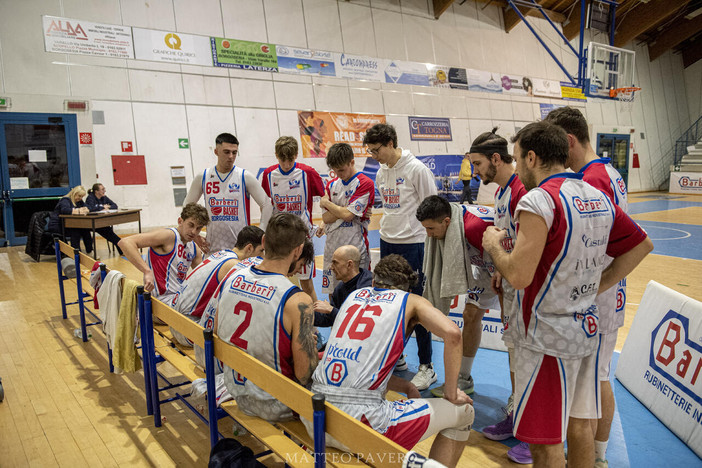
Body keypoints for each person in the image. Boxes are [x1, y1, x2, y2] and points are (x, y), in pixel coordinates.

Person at [482, 121, 652, 468]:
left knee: (545, 445)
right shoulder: (596, 196)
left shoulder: (539, 200)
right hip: (586, 330)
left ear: (531, 157)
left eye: (517, 158)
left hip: (546, 337)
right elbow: (642, 245)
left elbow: (518, 274)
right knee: (579, 429)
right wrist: (594, 287)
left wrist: (494, 245)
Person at [306, 254, 474, 468]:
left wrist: (405, 385)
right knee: (465, 413)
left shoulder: (354, 296)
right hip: (359, 425)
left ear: (374, 282)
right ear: (407, 289)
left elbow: (358, 365)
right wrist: (451, 392)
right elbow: (453, 334)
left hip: (316, 418)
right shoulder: (411, 301)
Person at [545, 106, 629, 468]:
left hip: (600, 297)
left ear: (568, 141)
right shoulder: (608, 171)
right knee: (598, 378)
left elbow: (627, 242)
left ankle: (595, 457)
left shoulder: (593, 180)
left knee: (595, 382)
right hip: (608, 291)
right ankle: (595, 454)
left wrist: (597, 287)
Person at [214, 213, 318, 422]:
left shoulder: (232, 276)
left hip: (235, 389)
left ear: (263, 241)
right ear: (298, 251)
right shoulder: (298, 300)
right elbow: (304, 374)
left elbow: (217, 331)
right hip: (276, 403)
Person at [468, 129, 531, 463]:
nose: (475, 171)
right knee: (513, 354)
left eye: (478, 164)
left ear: (496, 158)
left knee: (526, 359)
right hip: (508, 284)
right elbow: (509, 240)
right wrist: (497, 268)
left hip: (525, 289)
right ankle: (518, 417)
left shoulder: (522, 190)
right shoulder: (503, 192)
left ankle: (533, 433)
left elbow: (528, 246)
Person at [363, 123, 438, 390]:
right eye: (370, 151)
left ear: (391, 143)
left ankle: (426, 366)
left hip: (414, 244)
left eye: (376, 150)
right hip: (387, 242)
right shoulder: (381, 172)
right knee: (390, 305)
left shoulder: (417, 169)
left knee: (417, 307)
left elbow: (433, 207)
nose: (374, 155)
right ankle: (399, 358)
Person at [415, 195, 500, 397]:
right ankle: (464, 378)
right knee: (470, 316)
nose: (428, 234)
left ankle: (518, 395)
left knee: (513, 329)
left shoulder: (473, 228)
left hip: (504, 265)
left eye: (431, 229)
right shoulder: (452, 223)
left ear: (446, 222)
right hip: (485, 266)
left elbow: (505, 253)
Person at [170, 225, 264, 346]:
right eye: (261, 251)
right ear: (249, 248)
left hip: (175, 320)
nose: (262, 257)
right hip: (187, 331)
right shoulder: (234, 265)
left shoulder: (223, 253)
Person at [184, 133, 272, 254]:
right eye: (226, 152)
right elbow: (187, 206)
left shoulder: (244, 176)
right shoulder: (203, 176)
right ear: (216, 151)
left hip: (241, 250)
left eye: (234, 152)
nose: (231, 156)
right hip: (213, 248)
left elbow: (267, 204)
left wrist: (260, 233)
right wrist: (194, 235)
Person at [261, 136, 325, 302]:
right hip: (278, 238)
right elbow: (266, 205)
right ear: (276, 155)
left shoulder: (308, 173)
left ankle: (313, 324)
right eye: (283, 160)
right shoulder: (268, 175)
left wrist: (324, 221)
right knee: (275, 281)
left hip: (301, 238)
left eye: (290, 160)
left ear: (296, 155)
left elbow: (326, 197)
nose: (287, 164)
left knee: (307, 283)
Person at [118, 203, 208, 306]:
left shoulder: (194, 248)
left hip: (178, 298)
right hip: (160, 302)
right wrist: (146, 271)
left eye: (198, 228)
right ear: (180, 221)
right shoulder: (169, 236)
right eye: (191, 225)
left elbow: (202, 279)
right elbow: (125, 242)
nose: (193, 232)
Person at [317, 143, 374, 295]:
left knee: (359, 293)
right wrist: (346, 209)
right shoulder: (331, 185)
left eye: (341, 170)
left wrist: (328, 203)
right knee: (332, 292)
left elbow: (348, 215)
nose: (338, 174)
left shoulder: (365, 183)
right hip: (332, 248)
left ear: (352, 162)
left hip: (355, 248)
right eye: (335, 171)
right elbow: (326, 217)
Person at [313, 245, 373, 328]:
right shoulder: (340, 288)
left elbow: (359, 322)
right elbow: (328, 319)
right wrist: (305, 315)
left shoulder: (367, 287)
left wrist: (331, 310)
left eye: (335, 263)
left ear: (349, 264)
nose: (331, 267)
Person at [48, 185, 94, 256]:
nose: (80, 198)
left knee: (85, 229)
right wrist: (78, 210)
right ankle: (77, 254)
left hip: (69, 224)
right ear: (74, 193)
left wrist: (86, 209)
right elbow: (65, 210)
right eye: (79, 196)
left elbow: (88, 207)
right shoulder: (65, 200)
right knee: (76, 230)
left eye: (82, 196)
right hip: (57, 225)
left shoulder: (78, 201)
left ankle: (90, 251)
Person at [85, 183, 123, 255]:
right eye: (102, 189)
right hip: (92, 222)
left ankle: (120, 245)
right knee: (107, 231)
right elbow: (90, 209)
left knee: (108, 231)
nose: (104, 191)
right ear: (96, 191)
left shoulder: (104, 197)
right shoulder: (90, 198)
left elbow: (115, 205)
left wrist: (107, 207)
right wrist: (102, 207)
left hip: (101, 221)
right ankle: (120, 245)